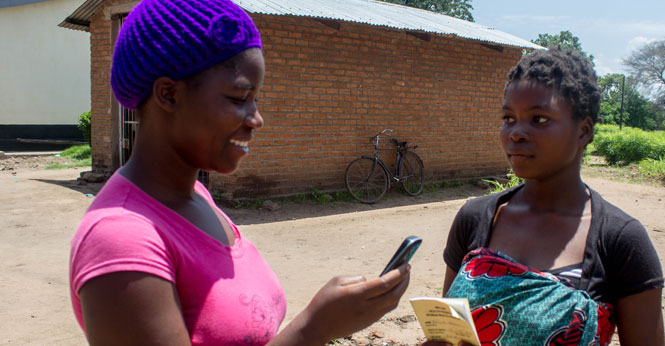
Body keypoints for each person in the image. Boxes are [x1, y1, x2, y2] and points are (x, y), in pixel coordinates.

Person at [68, 1, 410, 345]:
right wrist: (314, 328)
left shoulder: (196, 198)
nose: (256, 119)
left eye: (255, 100)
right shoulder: (120, 241)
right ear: (169, 95)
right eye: (238, 98)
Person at [438, 47, 665, 346]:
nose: (516, 132)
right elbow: (450, 332)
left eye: (539, 119)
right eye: (508, 117)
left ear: (583, 131)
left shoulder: (620, 241)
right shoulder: (476, 218)